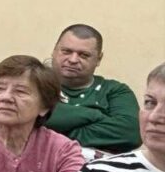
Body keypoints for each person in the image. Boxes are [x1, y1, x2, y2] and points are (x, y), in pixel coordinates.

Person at [45, 23, 141, 156]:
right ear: (54, 51)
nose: (73, 59)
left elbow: (131, 133)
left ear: (98, 59)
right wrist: (96, 115)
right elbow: (29, 122)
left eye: (84, 55)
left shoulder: (115, 91)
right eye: (66, 51)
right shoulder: (36, 85)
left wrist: (53, 135)